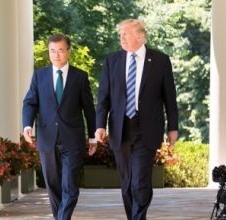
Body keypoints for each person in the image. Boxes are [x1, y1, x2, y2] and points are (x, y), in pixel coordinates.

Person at [95, 19, 179, 220]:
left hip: (147, 128)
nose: (121, 38)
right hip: (121, 128)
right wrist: (99, 125)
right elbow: (103, 97)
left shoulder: (160, 60)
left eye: (126, 34)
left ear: (141, 36)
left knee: (140, 181)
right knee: (127, 182)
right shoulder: (112, 61)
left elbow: (170, 97)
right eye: (120, 34)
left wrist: (173, 127)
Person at [22, 33, 97, 220]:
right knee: (53, 187)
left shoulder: (80, 77)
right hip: (47, 140)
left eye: (60, 50)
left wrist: (93, 137)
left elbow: (89, 109)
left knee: (70, 187)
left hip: (72, 141)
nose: (56, 55)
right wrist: (27, 125)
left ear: (68, 52)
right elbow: (30, 103)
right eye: (52, 51)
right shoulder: (39, 76)